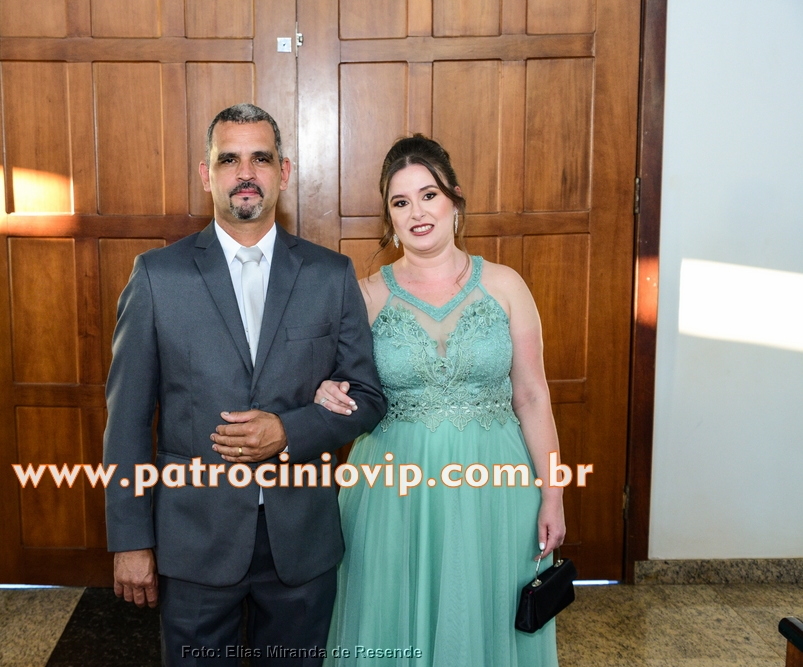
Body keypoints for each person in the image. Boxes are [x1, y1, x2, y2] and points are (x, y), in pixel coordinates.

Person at [103, 103, 387, 666]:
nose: (246, 173)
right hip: (194, 541)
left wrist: (289, 431)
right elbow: (128, 418)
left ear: (284, 172)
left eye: (261, 158)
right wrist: (131, 540)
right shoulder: (158, 276)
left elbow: (368, 396)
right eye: (229, 159)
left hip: (301, 541)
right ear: (206, 174)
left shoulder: (329, 275)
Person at [315, 135, 564, 665]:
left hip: (496, 486)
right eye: (401, 202)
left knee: (487, 615)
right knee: (391, 615)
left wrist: (553, 494)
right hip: (393, 490)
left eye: (429, 195)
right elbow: (328, 379)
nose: (417, 212)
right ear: (389, 217)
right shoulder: (363, 295)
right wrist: (323, 387)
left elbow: (533, 396)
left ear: (455, 200)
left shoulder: (506, 286)